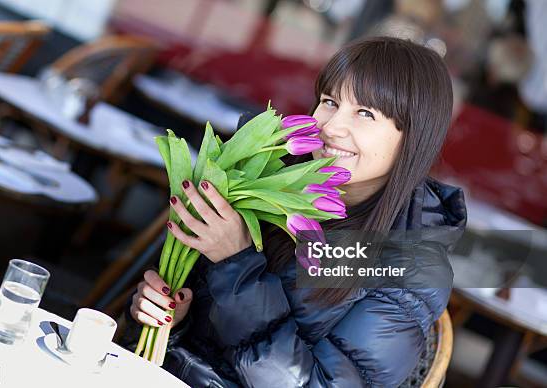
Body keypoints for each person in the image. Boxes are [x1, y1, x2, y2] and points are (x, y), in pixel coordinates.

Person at [120, 36, 467, 387]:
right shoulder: (271, 178)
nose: (331, 127)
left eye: (365, 113)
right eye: (329, 101)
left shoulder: (413, 270)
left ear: (413, 137)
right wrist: (168, 318)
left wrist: (236, 264)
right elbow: (182, 331)